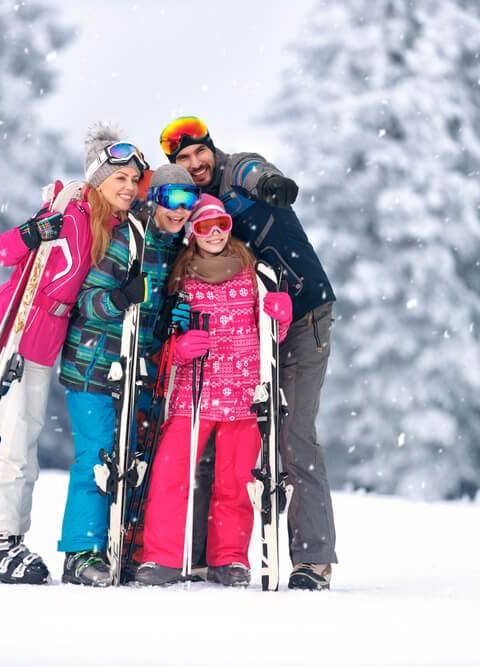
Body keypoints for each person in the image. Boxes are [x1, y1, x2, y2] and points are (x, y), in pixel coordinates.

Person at [158, 116, 338, 590]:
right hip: (247, 332)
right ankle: (210, 554)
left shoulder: (237, 174)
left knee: (290, 431)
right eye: (183, 159)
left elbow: (255, 169)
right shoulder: (194, 207)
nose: (196, 164)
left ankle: (313, 559)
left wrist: (273, 185)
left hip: (299, 317)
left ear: (213, 150)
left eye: (200, 153)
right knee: (227, 436)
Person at [0, 126, 130, 584]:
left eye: (132, 180)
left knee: (27, 443)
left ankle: (11, 541)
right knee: (8, 438)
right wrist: (33, 230)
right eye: (117, 177)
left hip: (48, 341)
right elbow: (1, 252)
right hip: (14, 328)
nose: (127, 187)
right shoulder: (66, 210)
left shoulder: (113, 225)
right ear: (98, 178)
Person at [134, 195, 293, 587]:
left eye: (221, 223)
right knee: (171, 474)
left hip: (242, 392)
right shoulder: (182, 277)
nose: (216, 233)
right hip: (193, 391)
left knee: (236, 481)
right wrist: (178, 348)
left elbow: (269, 334)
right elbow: (167, 337)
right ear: (193, 233)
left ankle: (230, 559)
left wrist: (280, 317)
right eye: (205, 226)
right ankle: (162, 557)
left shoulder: (251, 272)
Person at [56, 162, 199, 586]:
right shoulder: (126, 240)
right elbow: (89, 301)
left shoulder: (175, 249)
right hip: (93, 366)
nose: (179, 210)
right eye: (172, 199)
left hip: (136, 370)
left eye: (187, 202)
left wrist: (168, 320)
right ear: (155, 199)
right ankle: (80, 553)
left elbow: (153, 318)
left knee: (132, 458)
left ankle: (119, 546)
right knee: (98, 455)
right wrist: (120, 296)